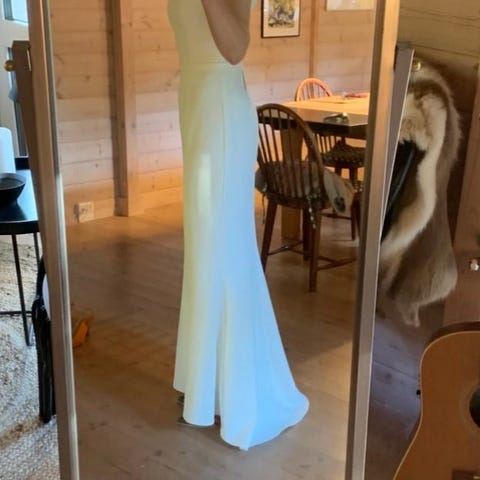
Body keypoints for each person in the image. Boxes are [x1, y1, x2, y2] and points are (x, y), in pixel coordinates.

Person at [168, 0, 309, 450]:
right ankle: (207, 386)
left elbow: (235, 48)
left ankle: (234, 392)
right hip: (197, 105)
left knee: (221, 254)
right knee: (205, 254)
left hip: (221, 114)